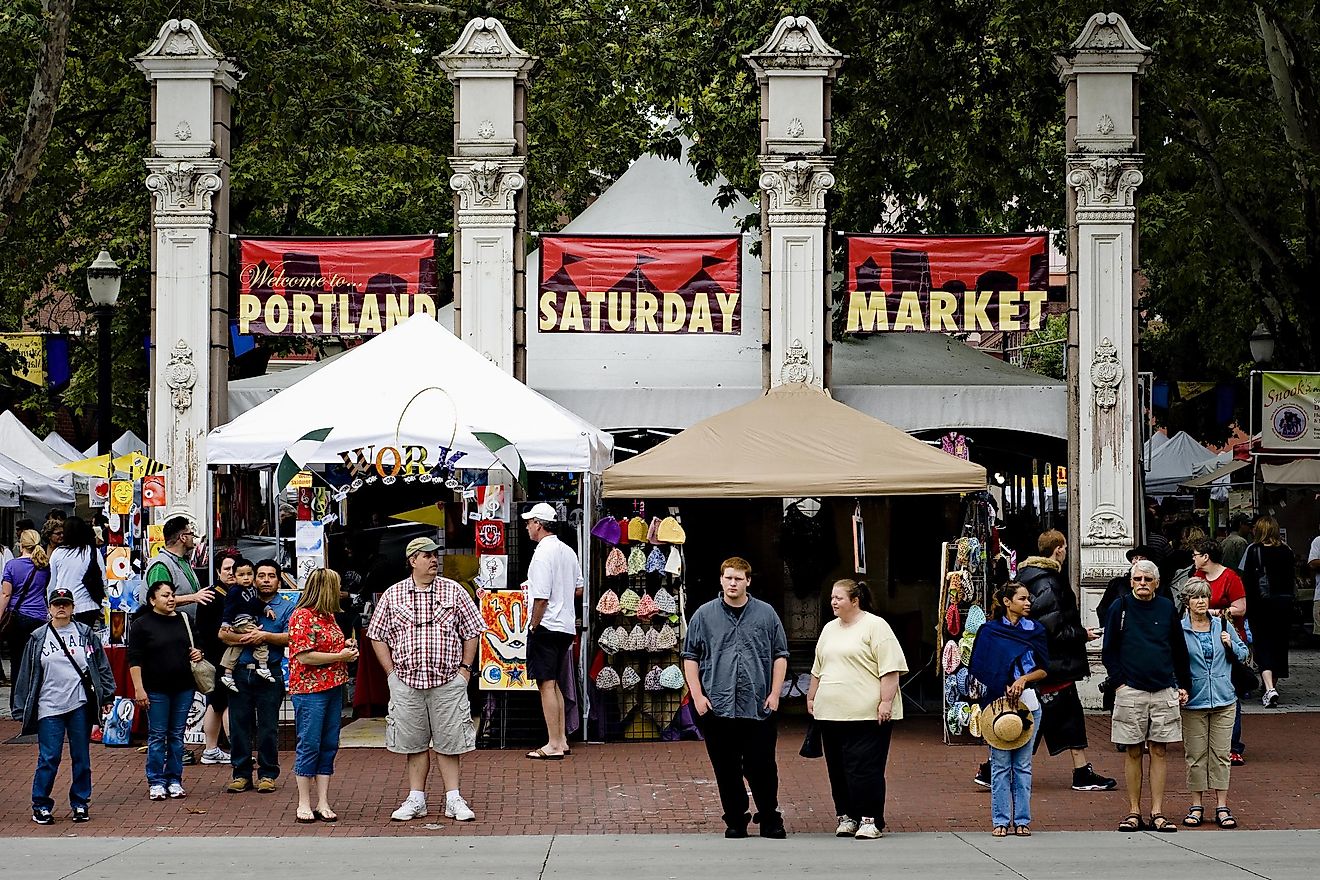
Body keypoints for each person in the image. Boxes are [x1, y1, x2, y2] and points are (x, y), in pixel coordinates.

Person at [982, 530, 1114, 792]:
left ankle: (993, 767)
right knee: (1062, 717)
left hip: (1034, 663)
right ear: (1059, 549)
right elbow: (1051, 627)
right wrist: (1081, 634)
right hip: (1052, 664)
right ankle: (1079, 772)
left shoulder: (1024, 576)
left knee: (1036, 715)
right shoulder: (1050, 582)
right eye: (1064, 547)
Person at [366, 537, 484, 823]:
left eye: (435, 555)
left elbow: (472, 630)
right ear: (412, 560)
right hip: (406, 681)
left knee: (450, 741)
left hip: (448, 681)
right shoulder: (393, 595)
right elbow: (377, 635)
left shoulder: (454, 591)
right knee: (413, 742)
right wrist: (391, 673)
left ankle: (453, 798)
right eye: (426, 556)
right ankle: (416, 798)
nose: (434, 560)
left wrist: (465, 670)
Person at [682, 557, 790, 839]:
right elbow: (690, 656)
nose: (733, 583)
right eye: (728, 578)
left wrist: (776, 693)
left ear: (748, 581)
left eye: (739, 578)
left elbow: (780, 654)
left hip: (759, 706)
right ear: (721, 579)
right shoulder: (703, 616)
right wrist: (697, 696)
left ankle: (769, 818)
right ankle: (735, 819)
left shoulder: (766, 614)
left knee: (762, 766)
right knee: (726, 768)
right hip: (717, 705)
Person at [806, 579, 908, 840]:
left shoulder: (875, 626)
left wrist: (886, 701)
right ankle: (846, 816)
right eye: (831, 598)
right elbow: (818, 668)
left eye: (839, 598)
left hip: (866, 715)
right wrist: (812, 696)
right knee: (837, 768)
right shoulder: (829, 629)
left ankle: (870, 819)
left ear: (855, 600)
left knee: (865, 768)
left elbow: (890, 668)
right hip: (830, 713)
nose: (833, 602)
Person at [12, 587, 116, 825]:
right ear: (49, 608)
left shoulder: (85, 634)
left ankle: (80, 802)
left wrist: (107, 696)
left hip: (78, 703)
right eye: (57, 604)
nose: (61, 608)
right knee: (49, 756)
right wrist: (21, 706)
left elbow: (101, 666)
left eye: (66, 604)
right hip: (48, 705)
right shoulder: (38, 637)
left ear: (72, 607)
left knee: (81, 756)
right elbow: (26, 673)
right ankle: (40, 803)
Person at [1102, 559, 1191, 833]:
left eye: (1147, 579)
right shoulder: (1120, 607)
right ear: (1131, 582)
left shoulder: (1166, 608)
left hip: (1163, 687)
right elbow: (1109, 650)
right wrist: (1119, 684)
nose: (1142, 583)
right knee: (1132, 750)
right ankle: (1133, 811)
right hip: (1131, 689)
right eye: (1138, 579)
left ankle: (1157, 812)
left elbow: (1178, 648)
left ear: (1157, 582)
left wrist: (1184, 684)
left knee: (1159, 750)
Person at [969, 582, 1049, 837]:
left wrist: (1023, 679)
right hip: (998, 704)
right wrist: (1002, 683)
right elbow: (978, 667)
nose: (1028, 603)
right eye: (1023, 599)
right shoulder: (989, 631)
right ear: (1007, 601)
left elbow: (1045, 667)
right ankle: (1000, 820)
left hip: (1029, 703)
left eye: (1029, 599)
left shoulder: (1035, 630)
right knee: (1001, 765)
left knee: (1023, 765)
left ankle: (1023, 819)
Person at [288, 568, 358, 824]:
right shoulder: (302, 616)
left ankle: (323, 800)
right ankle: (303, 802)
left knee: (329, 743)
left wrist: (344, 647)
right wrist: (340, 656)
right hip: (309, 690)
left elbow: (324, 647)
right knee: (309, 742)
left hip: (332, 687)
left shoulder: (328, 616)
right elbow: (304, 655)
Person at [219, 558, 294, 793]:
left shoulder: (287, 606)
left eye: (271, 576)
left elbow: (291, 636)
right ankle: (241, 774)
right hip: (240, 672)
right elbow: (222, 634)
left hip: (269, 673)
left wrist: (265, 637)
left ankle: (267, 774)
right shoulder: (240, 598)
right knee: (239, 726)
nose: (265, 580)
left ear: (279, 580)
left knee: (268, 727)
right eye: (260, 575)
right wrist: (245, 639)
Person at [1179, 580, 1246, 829]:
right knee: (1195, 755)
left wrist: (1230, 644)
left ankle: (1221, 805)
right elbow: (1174, 662)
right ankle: (1196, 805)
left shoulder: (1222, 624)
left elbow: (1243, 653)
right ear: (1187, 602)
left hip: (1224, 698)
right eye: (1196, 597)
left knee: (1220, 754)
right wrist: (1179, 688)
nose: (1201, 602)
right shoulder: (1179, 630)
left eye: (1205, 597)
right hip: (1194, 700)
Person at [128, 581, 201, 801]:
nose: (170, 599)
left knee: (177, 736)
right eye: (165, 595)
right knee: (158, 735)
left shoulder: (185, 620)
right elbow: (134, 659)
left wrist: (198, 653)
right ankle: (156, 780)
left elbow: (195, 646)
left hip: (183, 687)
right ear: (152, 600)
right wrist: (139, 689)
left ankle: (175, 779)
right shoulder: (141, 624)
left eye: (172, 595)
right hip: (155, 689)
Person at [522, 502, 582, 761]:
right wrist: (563, 596)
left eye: (529, 522)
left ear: (538, 524)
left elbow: (541, 598)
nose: (526, 527)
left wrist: (533, 625)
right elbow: (579, 588)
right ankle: (562, 740)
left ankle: (554, 743)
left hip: (547, 625)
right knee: (554, 682)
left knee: (546, 684)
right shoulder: (567, 551)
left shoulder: (542, 553)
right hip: (566, 625)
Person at [1190, 538, 1248, 764]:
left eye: (1195, 554)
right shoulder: (1196, 578)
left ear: (1206, 556)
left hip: (1226, 637)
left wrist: (1215, 612)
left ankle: (1233, 745)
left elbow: (1241, 607)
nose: (1193, 558)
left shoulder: (1230, 577)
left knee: (1229, 690)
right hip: (1199, 636)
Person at [1240, 515, 1296, 708]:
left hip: (1260, 606)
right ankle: (1271, 686)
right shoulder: (1287, 551)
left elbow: (1246, 579)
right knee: (1279, 645)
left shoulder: (1254, 550)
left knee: (1262, 645)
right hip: (1283, 605)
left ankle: (1269, 687)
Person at [197, 552, 240, 765]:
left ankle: (211, 749)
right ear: (217, 572)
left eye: (235, 569)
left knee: (216, 704)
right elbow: (205, 630)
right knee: (223, 702)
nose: (231, 573)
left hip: (229, 657)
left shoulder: (239, 593)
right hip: (219, 658)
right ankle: (234, 751)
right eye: (227, 569)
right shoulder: (212, 596)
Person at [217, 557, 278, 692]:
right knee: (258, 637)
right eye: (241, 575)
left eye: (249, 574)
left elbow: (256, 603)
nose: (246, 578)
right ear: (235, 576)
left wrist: (266, 608)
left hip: (247, 620)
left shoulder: (252, 590)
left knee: (236, 647)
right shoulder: (234, 591)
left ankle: (227, 673)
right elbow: (229, 607)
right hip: (241, 621)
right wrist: (225, 622)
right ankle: (263, 666)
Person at [2, 529, 52, 683]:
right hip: (40, 616)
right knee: (37, 659)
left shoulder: (12, 565)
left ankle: (17, 700)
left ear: (21, 545)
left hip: (18, 617)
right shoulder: (44, 565)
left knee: (17, 659)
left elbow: (6, 594)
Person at [143, 515, 214, 621]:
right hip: (167, 630)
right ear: (183, 537)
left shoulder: (183, 561)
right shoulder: (161, 566)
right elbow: (159, 600)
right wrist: (194, 597)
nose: (193, 537)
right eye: (191, 534)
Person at [46, 517, 104, 628]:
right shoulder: (93, 552)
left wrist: (51, 605)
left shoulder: (57, 553)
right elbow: (103, 580)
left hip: (62, 605)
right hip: (88, 606)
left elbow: (51, 583)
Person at [1098, 545, 1174, 625]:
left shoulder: (1161, 585)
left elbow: (1169, 612)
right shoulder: (1117, 584)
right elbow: (1103, 609)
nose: (1137, 561)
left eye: (1142, 558)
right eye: (1135, 558)